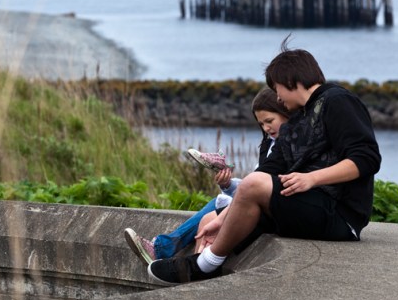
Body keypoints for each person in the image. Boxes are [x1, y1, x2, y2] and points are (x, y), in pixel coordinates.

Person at [148, 39, 382, 285]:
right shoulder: (294, 124)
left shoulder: (337, 100)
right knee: (209, 221)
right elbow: (268, 172)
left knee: (249, 189)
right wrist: (220, 219)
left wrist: (311, 178)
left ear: (290, 81)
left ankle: (205, 266)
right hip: (308, 207)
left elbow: (366, 158)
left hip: (341, 215)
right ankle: (196, 281)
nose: (278, 97)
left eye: (277, 87)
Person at [124, 87, 290, 265]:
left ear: (285, 111)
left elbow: (258, 186)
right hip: (259, 203)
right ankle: (174, 256)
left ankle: (169, 254)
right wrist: (227, 184)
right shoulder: (269, 144)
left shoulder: (287, 145)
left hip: (274, 210)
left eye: (269, 121)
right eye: (261, 124)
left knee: (210, 215)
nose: (266, 128)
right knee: (216, 205)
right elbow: (253, 184)